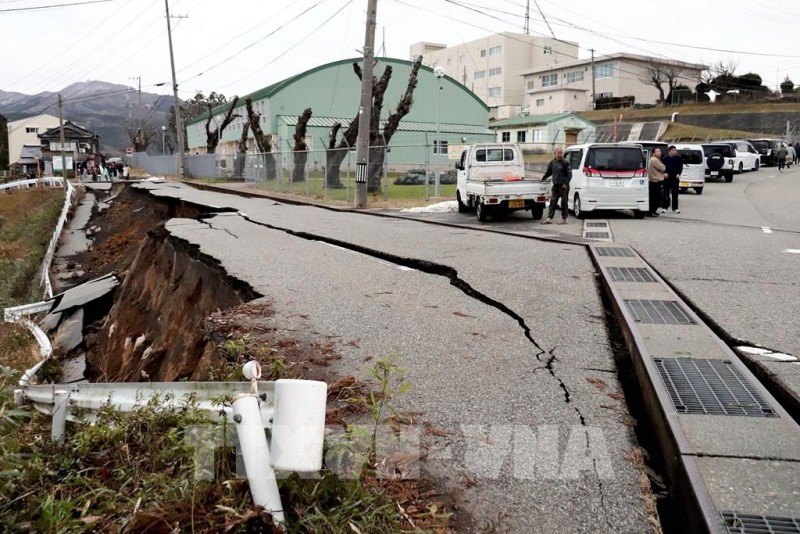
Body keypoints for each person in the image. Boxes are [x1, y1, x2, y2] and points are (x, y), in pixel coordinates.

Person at [540, 146, 572, 224]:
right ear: (555, 153)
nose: (560, 155)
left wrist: (566, 183)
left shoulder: (565, 162)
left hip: (563, 186)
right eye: (558, 153)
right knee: (553, 202)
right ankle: (549, 218)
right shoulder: (552, 162)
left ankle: (564, 219)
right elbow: (549, 172)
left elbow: (569, 175)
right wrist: (543, 178)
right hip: (555, 185)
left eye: (561, 153)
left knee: (564, 203)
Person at [661, 145, 683, 214]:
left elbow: (680, 168)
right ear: (669, 151)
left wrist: (678, 174)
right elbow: (662, 167)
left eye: (675, 150)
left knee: (675, 194)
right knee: (666, 193)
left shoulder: (678, 159)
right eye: (673, 150)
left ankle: (675, 208)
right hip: (667, 178)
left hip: (675, 178)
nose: (675, 152)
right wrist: (664, 173)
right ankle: (665, 207)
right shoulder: (665, 159)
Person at [647, 148, 666, 217]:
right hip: (655, 181)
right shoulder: (654, 160)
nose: (660, 153)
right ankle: (651, 211)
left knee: (656, 197)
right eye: (657, 151)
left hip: (655, 181)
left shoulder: (655, 160)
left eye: (660, 151)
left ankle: (653, 211)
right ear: (653, 153)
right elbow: (663, 168)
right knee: (655, 198)